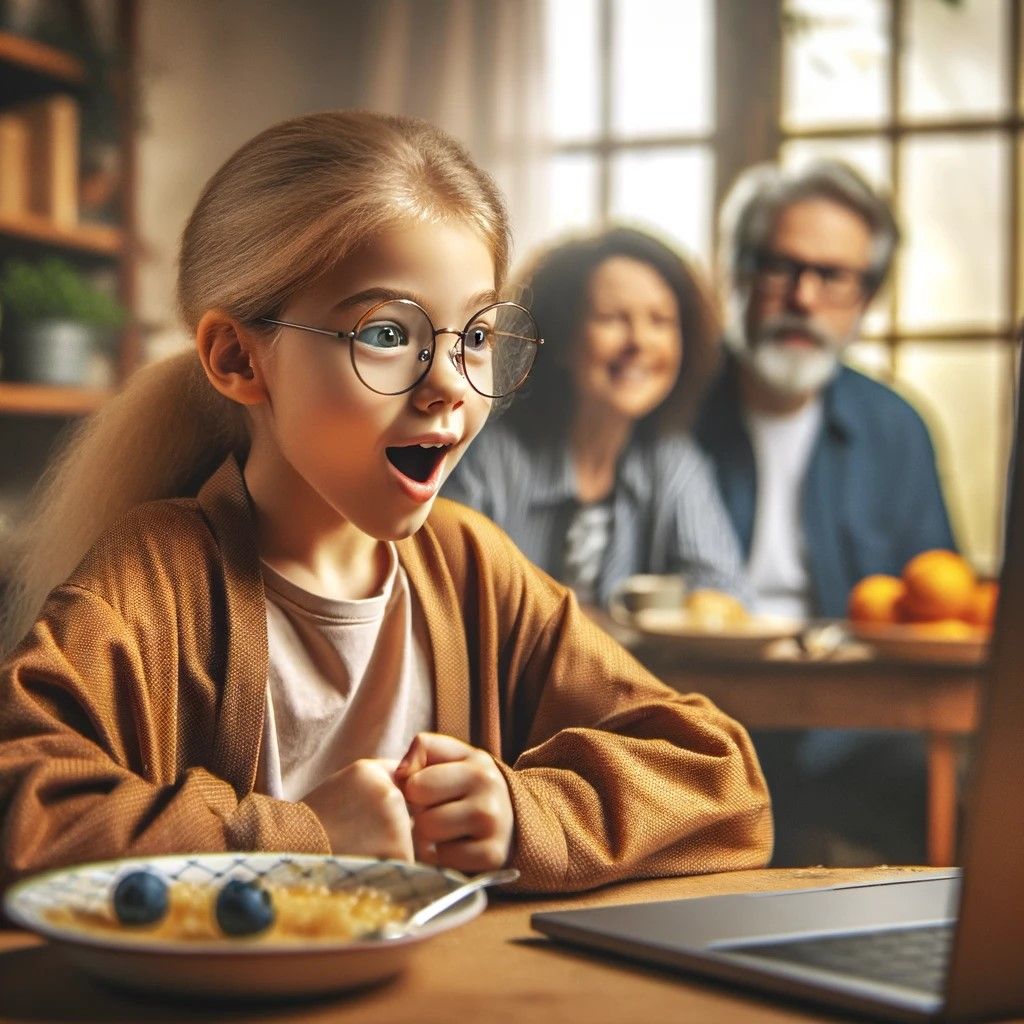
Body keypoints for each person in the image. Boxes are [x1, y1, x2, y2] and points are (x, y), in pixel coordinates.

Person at [0, 112, 771, 895]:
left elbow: (721, 780)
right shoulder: (158, 574)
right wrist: (303, 841)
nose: (449, 386)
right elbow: (22, 804)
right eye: (386, 333)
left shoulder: (473, 564)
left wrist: (524, 810)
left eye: (473, 335)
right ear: (238, 359)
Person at [695, 159, 956, 865]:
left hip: (857, 739)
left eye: (834, 276)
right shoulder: (671, 410)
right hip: (696, 726)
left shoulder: (897, 428)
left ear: (864, 297)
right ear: (737, 272)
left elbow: (938, 609)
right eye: (780, 265)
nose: (803, 297)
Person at [443, 226, 747, 608]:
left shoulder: (673, 461)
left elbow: (726, 596)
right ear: (562, 337)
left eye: (660, 321)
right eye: (612, 318)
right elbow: (444, 594)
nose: (639, 342)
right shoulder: (488, 455)